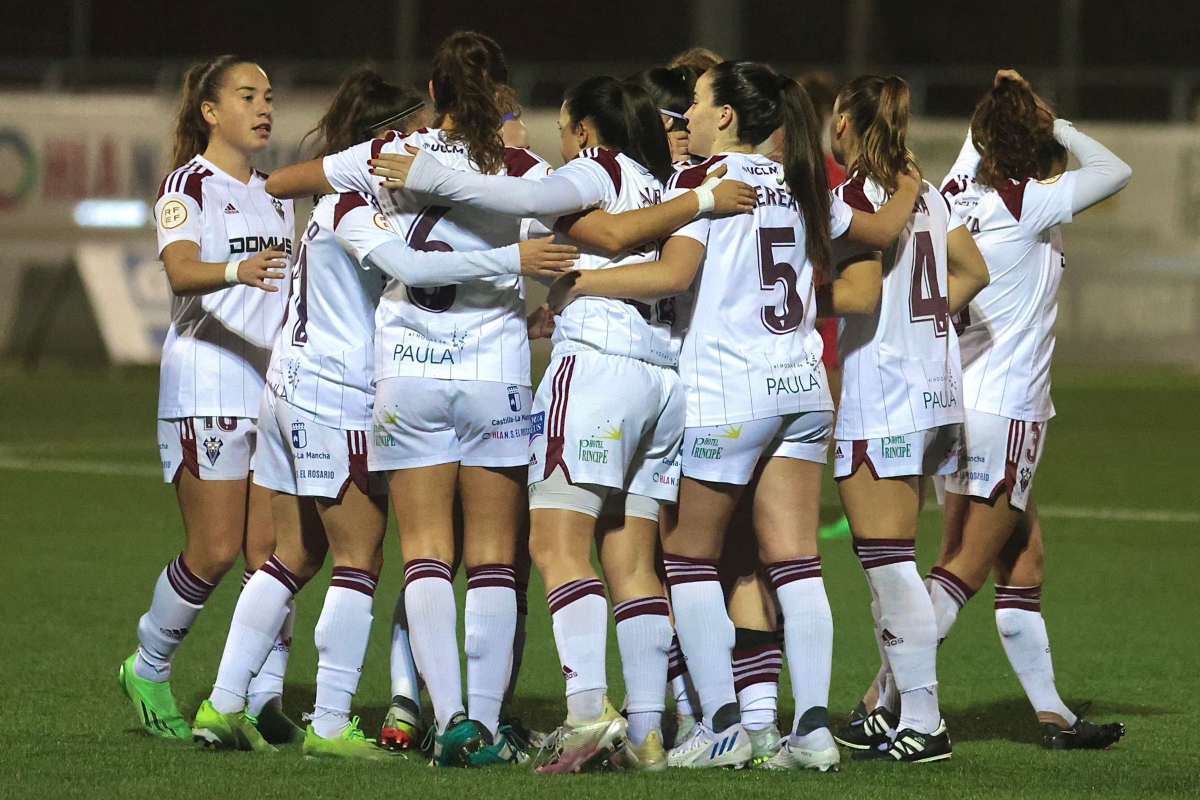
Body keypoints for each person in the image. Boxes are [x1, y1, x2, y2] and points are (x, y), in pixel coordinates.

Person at [363, 74, 758, 773]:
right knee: (633, 559)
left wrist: (429, 172)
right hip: (663, 379)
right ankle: (646, 731)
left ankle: (585, 713)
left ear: (584, 130)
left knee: (554, 541)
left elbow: (520, 197)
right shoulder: (669, 184)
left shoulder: (599, 171)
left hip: (599, 366)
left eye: (564, 125)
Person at [540, 61, 919, 771]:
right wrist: (908, 188)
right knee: (797, 562)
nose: (689, 113)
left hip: (730, 393)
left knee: (687, 557)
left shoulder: (703, 186)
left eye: (702, 103)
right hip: (804, 388)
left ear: (730, 119)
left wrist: (580, 283)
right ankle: (808, 735)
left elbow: (672, 275)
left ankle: (722, 726)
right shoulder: (807, 183)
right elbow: (874, 230)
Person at [263, 31, 578, 767]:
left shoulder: (389, 157)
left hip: (406, 372)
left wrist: (346, 182)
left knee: (426, 555)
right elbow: (581, 242)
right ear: (503, 97)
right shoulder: (525, 171)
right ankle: (490, 726)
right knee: (497, 561)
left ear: (432, 95)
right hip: (492, 371)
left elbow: (286, 182)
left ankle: (452, 720)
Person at [931, 69, 1130, 750]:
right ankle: (882, 702)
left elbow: (974, 141)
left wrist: (998, 103)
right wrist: (1057, 123)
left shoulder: (955, 192)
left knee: (1024, 564)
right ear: (1034, 140)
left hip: (954, 405)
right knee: (961, 570)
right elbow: (1116, 168)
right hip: (1006, 411)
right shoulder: (1032, 202)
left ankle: (1053, 716)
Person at [118, 55, 295, 742]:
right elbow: (183, 269)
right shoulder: (186, 184)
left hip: (269, 389)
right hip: (206, 384)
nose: (263, 107)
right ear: (210, 112)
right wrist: (236, 270)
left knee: (271, 555)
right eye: (247, 95)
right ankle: (150, 664)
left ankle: (261, 698)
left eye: (269, 96)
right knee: (216, 548)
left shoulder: (277, 194)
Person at [822, 75, 990, 763]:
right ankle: (896, 713)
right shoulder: (927, 192)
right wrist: (924, 324)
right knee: (893, 561)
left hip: (883, 393)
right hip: (932, 391)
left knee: (888, 565)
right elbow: (973, 271)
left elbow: (859, 297)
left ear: (846, 123)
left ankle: (923, 719)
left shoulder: (855, 197)